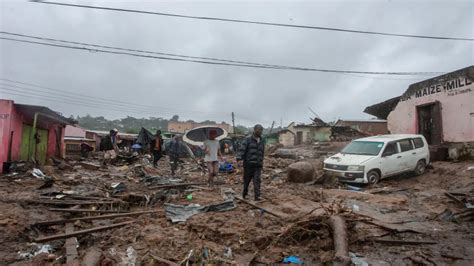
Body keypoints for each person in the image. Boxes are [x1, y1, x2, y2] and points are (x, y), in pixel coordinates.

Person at [236, 124, 265, 201]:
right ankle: (244, 193)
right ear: (254, 130)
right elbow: (242, 149)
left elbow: (262, 152)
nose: (260, 131)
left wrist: (261, 162)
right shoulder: (248, 139)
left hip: (258, 165)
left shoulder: (262, 140)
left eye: (261, 130)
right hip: (248, 164)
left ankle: (257, 196)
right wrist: (239, 158)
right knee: (247, 180)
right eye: (258, 130)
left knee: (257, 180)